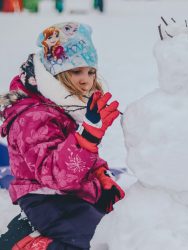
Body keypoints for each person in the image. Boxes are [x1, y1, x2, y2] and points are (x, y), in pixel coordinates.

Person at [0, 21, 125, 250]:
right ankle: (32, 244)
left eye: (91, 71)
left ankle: (28, 229)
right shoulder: (33, 117)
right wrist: (87, 137)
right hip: (45, 199)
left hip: (71, 192)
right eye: (76, 71)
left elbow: (71, 154)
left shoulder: (63, 106)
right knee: (97, 239)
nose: (86, 79)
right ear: (55, 74)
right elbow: (53, 175)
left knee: (119, 223)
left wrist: (100, 173)